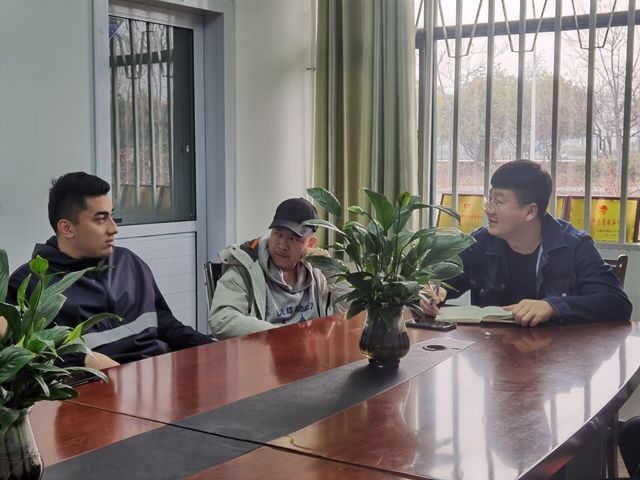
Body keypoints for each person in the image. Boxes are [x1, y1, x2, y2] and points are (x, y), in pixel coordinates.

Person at [8, 172, 213, 369]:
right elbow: (29, 360)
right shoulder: (30, 284)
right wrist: (86, 361)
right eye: (100, 219)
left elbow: (166, 325)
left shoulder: (129, 262)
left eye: (112, 215)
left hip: (156, 375)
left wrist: (215, 347)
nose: (114, 228)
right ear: (67, 228)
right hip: (95, 386)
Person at [440, 160, 632, 326]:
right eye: (489, 200)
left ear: (530, 211)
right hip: (492, 351)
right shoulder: (481, 242)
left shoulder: (574, 246)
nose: (489, 210)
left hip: (557, 353)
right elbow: (442, 282)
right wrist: (432, 292)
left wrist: (552, 306)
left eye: (498, 202)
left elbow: (617, 303)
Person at [208, 197, 349, 339]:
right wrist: (281, 334)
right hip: (265, 350)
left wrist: (331, 269)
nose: (282, 245)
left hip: (314, 351)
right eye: (278, 234)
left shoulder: (318, 271)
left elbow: (350, 314)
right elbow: (222, 320)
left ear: (310, 243)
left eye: (293, 238)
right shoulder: (245, 265)